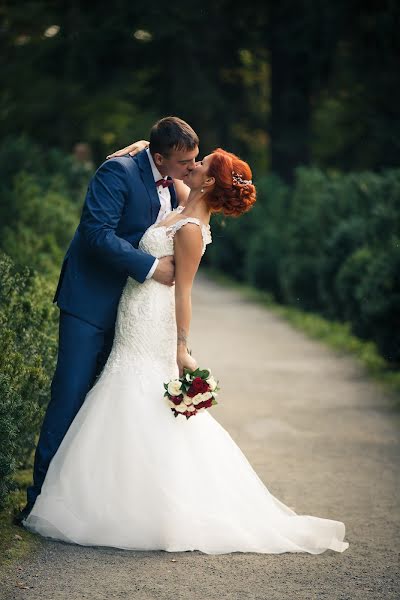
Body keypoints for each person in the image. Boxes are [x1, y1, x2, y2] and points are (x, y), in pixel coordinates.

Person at [22, 145, 349, 555]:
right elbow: (161, 168)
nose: (192, 166)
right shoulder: (182, 197)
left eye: (201, 164)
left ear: (209, 180)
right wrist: (132, 150)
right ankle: (109, 493)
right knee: (119, 395)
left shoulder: (192, 227)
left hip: (153, 321)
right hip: (133, 311)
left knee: (136, 397)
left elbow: (185, 292)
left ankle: (147, 507)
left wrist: (182, 347)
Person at [15, 116, 200, 524]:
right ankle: (39, 503)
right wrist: (151, 267)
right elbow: (96, 233)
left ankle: (88, 503)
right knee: (70, 398)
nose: (191, 167)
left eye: (194, 160)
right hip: (89, 303)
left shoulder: (174, 181)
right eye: (185, 161)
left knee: (105, 410)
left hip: (132, 313)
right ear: (159, 156)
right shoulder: (116, 171)